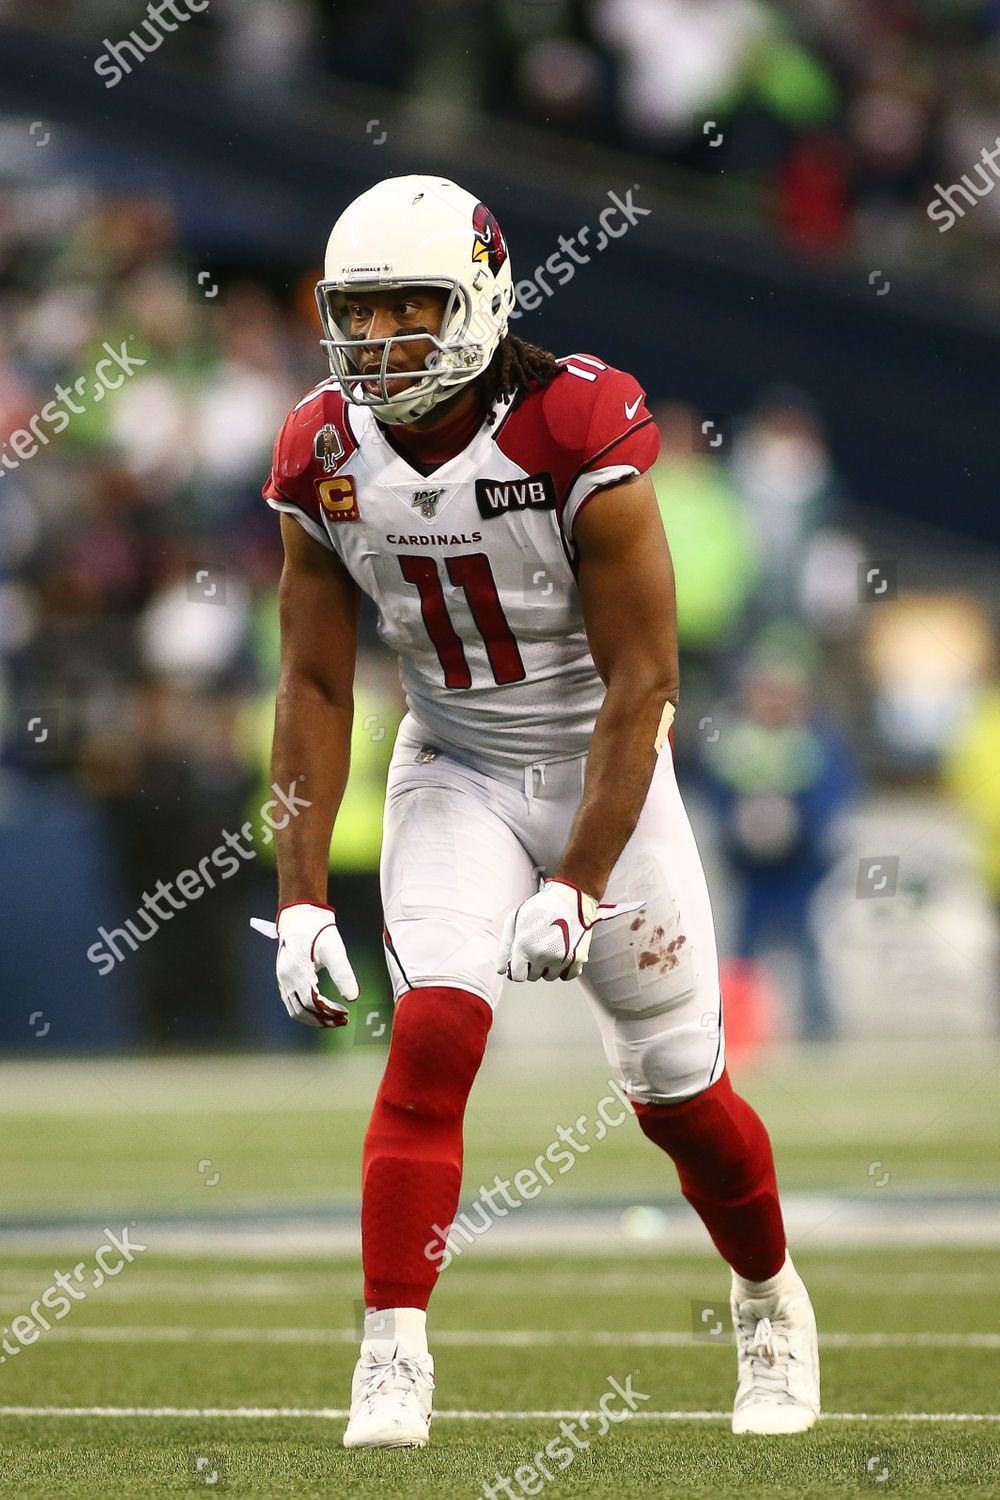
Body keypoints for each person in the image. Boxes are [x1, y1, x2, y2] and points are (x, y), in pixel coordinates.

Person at [261, 175, 820, 1449]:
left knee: (677, 1088)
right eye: (361, 313)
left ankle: (768, 1297)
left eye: (411, 308)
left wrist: (575, 877)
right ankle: (391, 1351)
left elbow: (647, 681)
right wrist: (296, 896)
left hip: (599, 769)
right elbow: (309, 679)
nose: (381, 341)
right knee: (435, 1035)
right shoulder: (323, 445)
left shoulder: (577, 420)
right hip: (452, 766)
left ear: (479, 295)